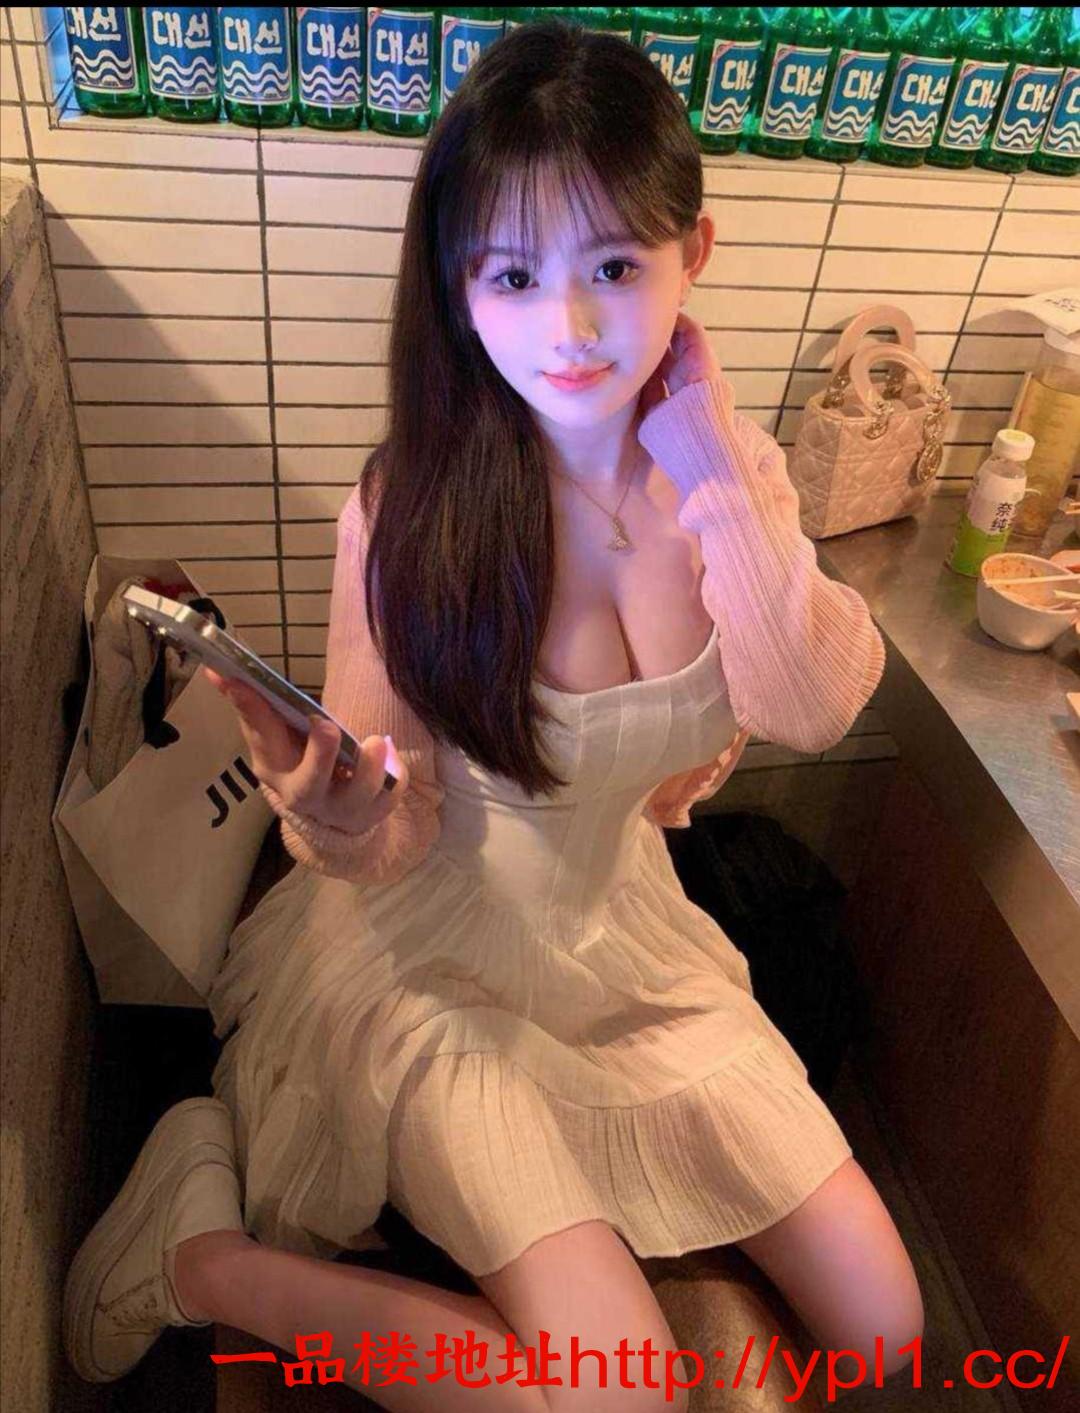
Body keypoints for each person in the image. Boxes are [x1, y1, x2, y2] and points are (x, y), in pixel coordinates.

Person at [63, 19, 923, 1410]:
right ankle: (200, 1258)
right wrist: (330, 804)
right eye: (515, 275)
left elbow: (809, 700)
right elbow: (382, 837)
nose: (569, 328)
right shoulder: (409, 507)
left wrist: (702, 438)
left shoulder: (731, 472)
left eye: (615, 268)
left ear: (693, 255)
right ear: (460, 286)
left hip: (626, 942)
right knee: (617, 1392)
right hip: (430, 963)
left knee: (886, 1331)